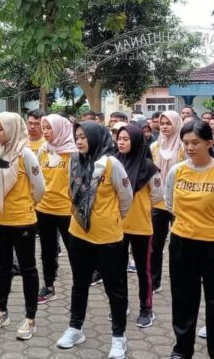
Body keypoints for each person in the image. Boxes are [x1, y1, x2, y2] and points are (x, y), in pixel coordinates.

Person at [164, 120, 214, 359]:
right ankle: (182, 350)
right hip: (182, 242)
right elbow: (169, 203)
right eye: (186, 143)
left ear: (209, 143)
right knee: (183, 300)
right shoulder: (177, 171)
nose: (190, 148)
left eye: (195, 143)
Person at [56, 121, 133, 359]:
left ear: (96, 138)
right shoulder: (74, 161)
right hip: (78, 232)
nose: (79, 141)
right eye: (77, 137)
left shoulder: (111, 164)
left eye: (84, 137)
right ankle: (75, 328)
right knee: (79, 283)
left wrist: (109, 218)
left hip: (107, 236)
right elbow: (71, 191)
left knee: (114, 288)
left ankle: (118, 337)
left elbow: (126, 198)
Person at [0, 112, 45, 340]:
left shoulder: (25, 153)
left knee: (28, 269)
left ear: (12, 128)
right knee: (2, 267)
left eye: (1, 128)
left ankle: (30, 318)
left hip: (22, 221)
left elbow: (40, 188)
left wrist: (26, 205)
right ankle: (1, 311)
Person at [116, 124, 163, 328]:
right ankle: (121, 305)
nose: (121, 142)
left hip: (141, 226)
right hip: (117, 225)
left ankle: (146, 309)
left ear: (135, 141)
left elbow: (158, 195)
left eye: (126, 139)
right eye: (119, 138)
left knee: (144, 270)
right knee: (118, 268)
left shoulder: (148, 167)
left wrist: (140, 207)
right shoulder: (114, 162)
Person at [34, 114, 77, 304]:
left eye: (49, 128)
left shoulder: (73, 153)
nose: (45, 132)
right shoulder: (43, 150)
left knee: (75, 251)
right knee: (47, 251)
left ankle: (80, 285)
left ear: (60, 129)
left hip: (67, 211)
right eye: (43, 127)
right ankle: (49, 286)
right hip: (44, 208)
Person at [148, 110, 184, 293]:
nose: (164, 126)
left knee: (178, 245)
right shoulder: (154, 146)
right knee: (155, 244)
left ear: (176, 124)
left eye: (168, 123)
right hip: (158, 201)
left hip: (180, 202)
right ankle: (154, 281)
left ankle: (179, 279)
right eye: (162, 123)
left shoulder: (184, 147)